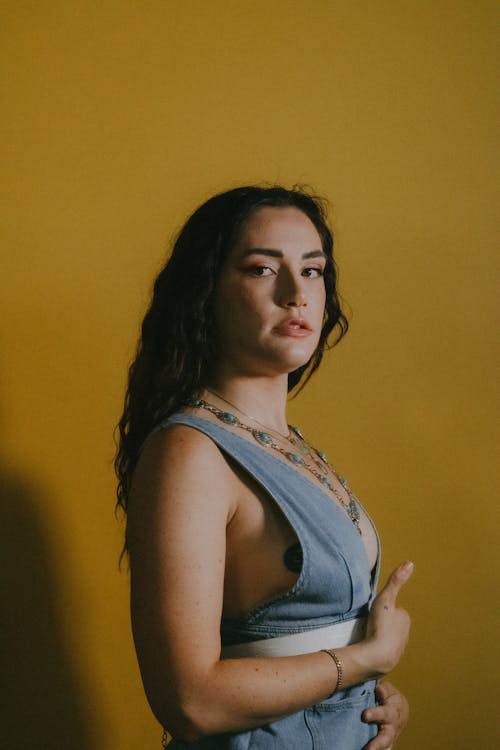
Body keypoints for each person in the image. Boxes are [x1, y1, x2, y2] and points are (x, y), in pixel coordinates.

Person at [115, 186, 412, 749]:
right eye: (260, 269)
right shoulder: (190, 452)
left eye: (314, 270)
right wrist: (367, 657)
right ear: (206, 293)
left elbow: (297, 642)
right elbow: (191, 700)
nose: (296, 293)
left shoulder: (289, 444)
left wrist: (375, 696)